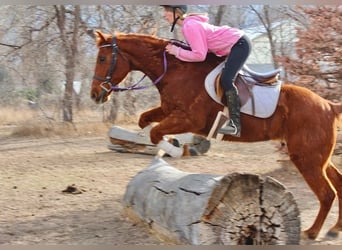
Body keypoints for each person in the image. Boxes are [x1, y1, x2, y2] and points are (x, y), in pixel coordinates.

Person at [161, 5, 252, 137]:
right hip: (233, 45)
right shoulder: (188, 26)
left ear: (177, 13)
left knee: (226, 80)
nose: (164, 15)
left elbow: (199, 55)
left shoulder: (190, 26)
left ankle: (235, 125)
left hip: (239, 45)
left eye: (167, 11)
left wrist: (176, 51)